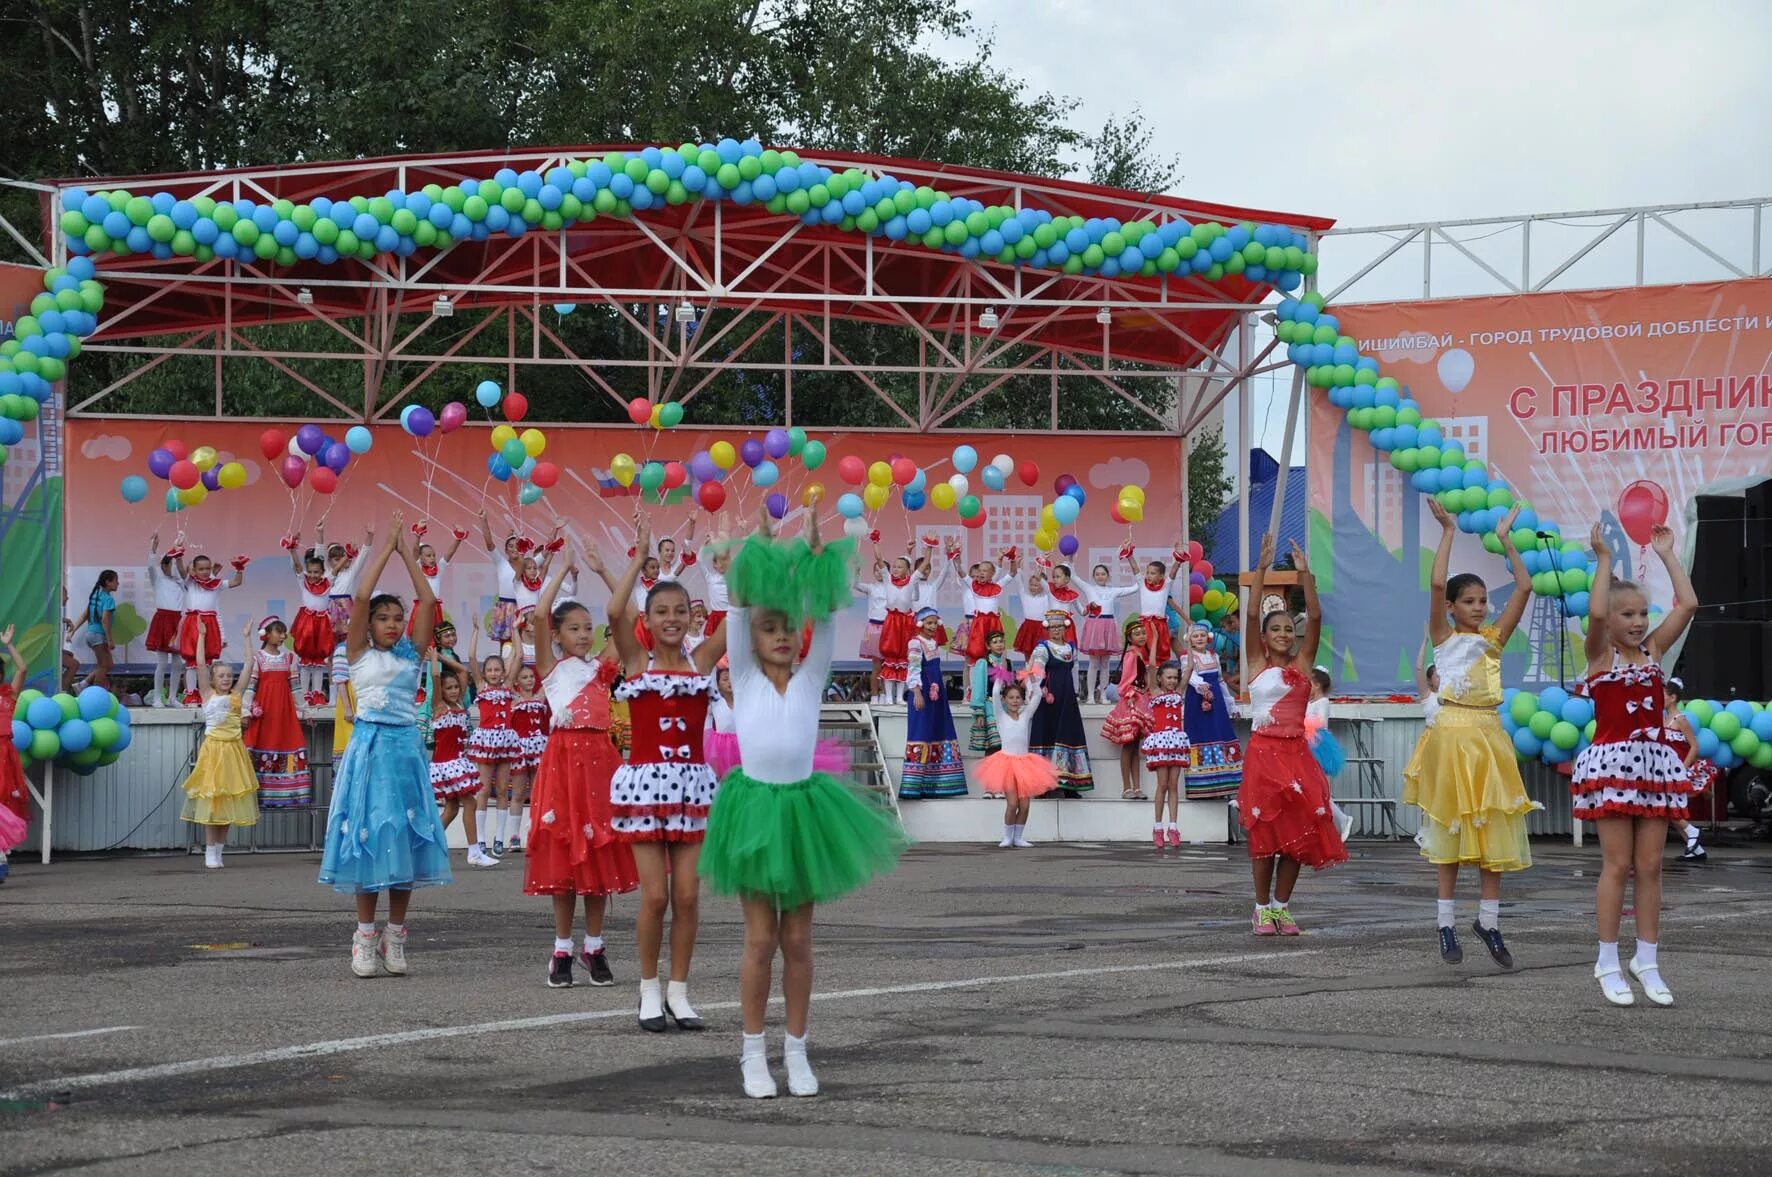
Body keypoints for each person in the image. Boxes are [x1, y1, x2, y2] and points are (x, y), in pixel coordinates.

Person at [700, 507, 906, 1098]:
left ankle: (797, 1049)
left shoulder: (814, 676)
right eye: (771, 628)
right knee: (760, 940)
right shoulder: (742, 671)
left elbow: (829, 617)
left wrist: (816, 558)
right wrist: (759, 545)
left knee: (797, 942)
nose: (782, 635)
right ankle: (752, 1053)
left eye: (789, 627)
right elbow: (738, 609)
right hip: (756, 811)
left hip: (806, 814)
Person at [1402, 502, 1538, 966]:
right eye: (1470, 601)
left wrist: (1506, 541)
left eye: (1483, 600)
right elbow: (1437, 582)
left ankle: (1490, 922)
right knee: (1450, 832)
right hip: (1451, 735)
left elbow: (1525, 586)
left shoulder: (1494, 639)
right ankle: (1444, 924)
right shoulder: (1444, 638)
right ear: (1451, 608)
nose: (1479, 607)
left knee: (1492, 832)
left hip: (1487, 738)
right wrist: (1447, 532)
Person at [606, 513, 728, 1032]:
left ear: (692, 616)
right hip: (645, 788)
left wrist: (733, 565)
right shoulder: (637, 664)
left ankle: (680, 992)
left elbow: (739, 616)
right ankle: (648, 990)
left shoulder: (702, 662)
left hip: (693, 788)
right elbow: (614, 610)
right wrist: (638, 558)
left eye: (680, 610)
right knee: (655, 896)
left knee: (688, 896)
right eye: (662, 612)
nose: (672, 618)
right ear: (649, 621)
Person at [317, 513, 452, 978]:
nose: (393, 625)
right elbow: (357, 597)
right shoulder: (358, 653)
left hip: (405, 752)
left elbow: (429, 599)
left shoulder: (412, 655)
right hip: (369, 750)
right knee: (370, 839)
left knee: (405, 840)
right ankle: (364, 936)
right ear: (369, 623)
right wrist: (384, 548)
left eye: (398, 618)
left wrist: (407, 554)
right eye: (384, 618)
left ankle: (396, 936)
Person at [1574, 520, 1697, 1007]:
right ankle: (1606, 960)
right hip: (1612, 766)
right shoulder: (1600, 656)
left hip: (1653, 766)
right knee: (1618, 864)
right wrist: (1604, 558)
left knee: (1651, 866)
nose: (1638, 621)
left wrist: (1668, 555)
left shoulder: (1655, 652)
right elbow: (1597, 612)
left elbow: (1688, 605)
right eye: (1628, 614)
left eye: (1643, 613)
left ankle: (1647, 959)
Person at [526, 550, 639, 990]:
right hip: (563, 766)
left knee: (596, 858)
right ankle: (561, 950)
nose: (583, 635)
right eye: (573, 628)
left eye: (588, 628)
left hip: (600, 765)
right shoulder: (551, 669)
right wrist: (560, 570)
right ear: (556, 635)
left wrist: (603, 569)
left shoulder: (602, 668)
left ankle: (594, 946)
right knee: (563, 859)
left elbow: (629, 614)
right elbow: (538, 614)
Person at [1239, 535, 1345, 935]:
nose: (1284, 633)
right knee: (1266, 834)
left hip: (1297, 754)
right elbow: (1251, 617)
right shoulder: (1255, 663)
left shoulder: (1303, 664)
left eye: (1288, 628)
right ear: (1265, 638)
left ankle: (1282, 907)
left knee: (1300, 833)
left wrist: (1305, 577)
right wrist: (1262, 569)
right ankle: (1261, 907)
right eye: (1276, 628)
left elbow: (1315, 619)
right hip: (1264, 756)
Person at [180, 620, 260, 869]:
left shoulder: (236, 695)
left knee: (228, 802)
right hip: (214, 751)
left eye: (229, 675)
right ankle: (208, 851)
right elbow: (201, 664)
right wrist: (202, 636)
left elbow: (249, 664)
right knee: (211, 801)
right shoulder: (208, 694)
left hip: (234, 752)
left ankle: (219, 850)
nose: (226, 679)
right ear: (214, 680)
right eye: (221, 676)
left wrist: (247, 638)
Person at [242, 617, 312, 809]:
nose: (282, 636)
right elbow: (250, 687)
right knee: (260, 746)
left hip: (284, 714)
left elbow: (296, 688)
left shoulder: (289, 658)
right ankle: (259, 795)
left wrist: (305, 711)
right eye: (278, 632)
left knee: (287, 744)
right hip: (264, 715)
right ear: (265, 634)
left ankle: (285, 794)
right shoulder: (258, 658)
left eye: (283, 632)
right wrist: (245, 711)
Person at [976, 677, 1055, 848]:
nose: (1014, 701)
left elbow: (1038, 696)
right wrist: (999, 677)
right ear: (1005, 700)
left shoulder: (1026, 715)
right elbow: (995, 695)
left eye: (1018, 697)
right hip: (1006, 764)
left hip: (1025, 764)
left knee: (1025, 805)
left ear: (1022, 700)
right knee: (1012, 804)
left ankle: (1018, 837)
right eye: (1011, 698)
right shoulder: (1000, 715)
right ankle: (1007, 837)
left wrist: (1033, 680)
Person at [463, 626, 519, 866]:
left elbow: (518, 656)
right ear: (484, 673)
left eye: (498, 669)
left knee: (503, 789)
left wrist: (515, 630)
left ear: (503, 672)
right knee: (484, 790)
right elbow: (472, 658)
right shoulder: (481, 686)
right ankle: (482, 839)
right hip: (486, 740)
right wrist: (475, 632)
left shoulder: (508, 688)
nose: (494, 673)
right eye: (490, 670)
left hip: (505, 739)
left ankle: (500, 838)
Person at [899, 607, 968, 799]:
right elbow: (913, 669)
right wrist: (917, 692)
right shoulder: (915, 643)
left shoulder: (934, 643)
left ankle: (938, 784)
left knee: (938, 730)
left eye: (934, 623)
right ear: (920, 624)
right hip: (923, 693)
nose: (932, 626)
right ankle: (913, 786)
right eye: (928, 623)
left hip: (937, 695)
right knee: (921, 732)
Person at [1028, 610, 1093, 796]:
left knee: (1067, 734)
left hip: (1067, 697)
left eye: (1059, 626)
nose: (1056, 630)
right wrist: (1039, 690)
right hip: (1049, 698)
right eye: (1053, 627)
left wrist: (1076, 693)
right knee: (1047, 734)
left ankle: (1069, 783)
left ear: (1065, 628)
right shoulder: (1043, 648)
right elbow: (1036, 670)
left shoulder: (1071, 648)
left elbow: (1074, 670)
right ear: (1048, 629)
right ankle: (1044, 785)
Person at [426, 654, 481, 854]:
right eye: (448, 688)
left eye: (456, 687)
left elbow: (462, 671)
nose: (454, 690)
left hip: (457, 762)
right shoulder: (439, 706)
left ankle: (428, 845)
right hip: (446, 764)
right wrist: (434, 662)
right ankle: (474, 851)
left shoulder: (459, 705)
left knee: (452, 808)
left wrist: (440, 655)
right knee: (471, 802)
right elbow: (434, 677)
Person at [1180, 621, 1241, 800]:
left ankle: (1223, 783)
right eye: (1195, 636)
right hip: (1197, 702)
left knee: (1219, 733)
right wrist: (1200, 685)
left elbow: (1220, 680)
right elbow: (1189, 675)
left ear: (1208, 638)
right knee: (1201, 735)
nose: (1199, 639)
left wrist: (1231, 703)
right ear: (1189, 640)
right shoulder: (1187, 657)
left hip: (1217, 702)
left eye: (1201, 636)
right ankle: (1202, 785)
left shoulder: (1213, 656)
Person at [176, 553, 245, 704]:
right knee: (192, 661)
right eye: (201, 569)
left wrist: (239, 569)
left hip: (210, 623)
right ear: (194, 569)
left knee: (207, 662)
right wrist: (179, 555)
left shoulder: (216, 584)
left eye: (208, 568)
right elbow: (182, 571)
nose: (205, 572)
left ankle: (204, 692)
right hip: (194, 622)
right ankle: (190, 694)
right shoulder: (190, 582)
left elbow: (236, 582)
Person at [1100, 618, 1154, 800]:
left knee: (1135, 745)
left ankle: (1137, 787)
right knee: (1128, 744)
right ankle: (1126, 787)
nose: (1141, 636)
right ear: (1130, 638)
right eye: (1137, 634)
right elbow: (1125, 681)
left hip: (1141, 698)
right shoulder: (1131, 654)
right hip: (1132, 700)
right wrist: (1130, 696)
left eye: (1143, 633)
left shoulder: (1140, 653)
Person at [1662, 678, 1712, 862]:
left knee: (1667, 807)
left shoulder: (1680, 719)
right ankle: (1696, 850)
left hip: (1677, 771)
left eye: (1663, 695)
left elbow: (1694, 746)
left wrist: (1682, 769)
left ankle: (1692, 832)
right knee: (1671, 809)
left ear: (1673, 697)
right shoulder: (1664, 718)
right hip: (1666, 771)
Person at [1142, 662, 1190, 848]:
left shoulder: (1179, 693)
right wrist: (1154, 636)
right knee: (1162, 784)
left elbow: (1189, 669)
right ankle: (1157, 827)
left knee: (1173, 785)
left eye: (1174, 678)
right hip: (1162, 742)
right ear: (1160, 679)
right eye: (1168, 677)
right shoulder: (1155, 692)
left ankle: (1173, 826)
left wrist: (1190, 644)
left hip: (1176, 741)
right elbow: (1152, 668)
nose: (1172, 681)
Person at [1077, 562, 1138, 705]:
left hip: (1108, 627)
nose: (1100, 576)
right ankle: (1091, 696)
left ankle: (1103, 694)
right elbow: (1074, 577)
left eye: (1103, 574)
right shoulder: (1089, 588)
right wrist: (1071, 559)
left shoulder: (1113, 591)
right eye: (1097, 574)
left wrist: (1140, 576)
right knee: (1093, 663)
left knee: (1105, 663)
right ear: (1093, 576)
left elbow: (1135, 588)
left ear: (1108, 576)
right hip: (1094, 626)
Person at [505, 663, 551, 853]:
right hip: (521, 749)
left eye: (531, 677)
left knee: (537, 793)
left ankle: (534, 833)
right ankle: (514, 836)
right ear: (516, 682)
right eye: (524, 677)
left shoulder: (540, 697)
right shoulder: (513, 700)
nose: (529, 680)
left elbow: (551, 677)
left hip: (539, 747)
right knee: (517, 793)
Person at [0, 627, 33, 883]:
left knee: (5, 805)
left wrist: (9, 645)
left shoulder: (8, 697)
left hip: (5, 755)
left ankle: (1, 858)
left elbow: (22, 670)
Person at [1306, 669, 1353, 843]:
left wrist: (1302, 724)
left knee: (1315, 789)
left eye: (1309, 683)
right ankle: (1337, 820)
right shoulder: (1310, 703)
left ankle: (1340, 819)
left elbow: (1320, 723)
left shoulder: (1323, 702)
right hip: (1307, 744)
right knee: (1312, 790)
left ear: (1317, 685)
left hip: (1316, 745)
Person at [287, 535, 336, 706]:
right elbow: (299, 567)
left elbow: (336, 570)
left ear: (323, 572)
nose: (313, 575)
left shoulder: (328, 582)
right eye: (311, 572)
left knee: (318, 661)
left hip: (321, 624)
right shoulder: (303, 581)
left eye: (317, 572)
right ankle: (304, 693)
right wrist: (293, 550)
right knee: (306, 661)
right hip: (306, 624)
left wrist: (349, 557)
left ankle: (317, 693)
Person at [146, 534, 188, 707]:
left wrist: (178, 544)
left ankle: (173, 697)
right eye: (168, 564)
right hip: (163, 620)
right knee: (162, 662)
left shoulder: (181, 582)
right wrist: (153, 550)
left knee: (178, 663)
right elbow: (150, 567)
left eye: (172, 564)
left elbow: (182, 568)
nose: (172, 568)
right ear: (163, 566)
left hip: (178, 622)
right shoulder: (158, 580)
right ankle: (157, 697)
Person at [313, 520, 372, 641]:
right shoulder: (326, 573)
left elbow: (363, 555)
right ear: (329, 560)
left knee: (348, 640)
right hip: (328, 610)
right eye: (336, 559)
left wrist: (370, 536)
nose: (341, 561)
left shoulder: (350, 572)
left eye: (344, 558)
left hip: (347, 610)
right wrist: (320, 532)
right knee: (326, 640)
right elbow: (319, 553)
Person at [408, 522, 467, 638]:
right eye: (428, 556)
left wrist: (458, 538)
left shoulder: (439, 568)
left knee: (435, 637)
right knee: (419, 636)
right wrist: (418, 534)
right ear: (420, 557)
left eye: (433, 555)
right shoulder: (417, 568)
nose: (432, 558)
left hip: (435, 608)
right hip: (421, 608)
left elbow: (450, 553)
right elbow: (415, 550)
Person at [968, 630, 1012, 776]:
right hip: (989, 707)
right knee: (992, 747)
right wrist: (979, 712)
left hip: (1005, 709)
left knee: (1004, 747)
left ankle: (1000, 783)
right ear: (988, 646)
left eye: (1001, 641)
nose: (999, 645)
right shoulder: (983, 663)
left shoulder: (1007, 663)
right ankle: (990, 784)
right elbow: (979, 687)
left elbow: (1010, 688)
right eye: (995, 642)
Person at [81, 569, 119, 694]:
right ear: (108, 582)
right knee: (104, 665)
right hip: (98, 635)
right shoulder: (108, 599)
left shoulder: (96, 594)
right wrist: (110, 640)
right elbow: (105, 620)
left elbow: (85, 615)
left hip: (91, 634)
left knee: (108, 664)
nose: (118, 584)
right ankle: (94, 693)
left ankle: (83, 683)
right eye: (115, 581)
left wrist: (73, 630)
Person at [1008, 558, 1052, 664]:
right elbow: (1019, 584)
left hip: (1043, 629)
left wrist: (1040, 572)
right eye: (1031, 585)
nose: (1033, 587)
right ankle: (1028, 676)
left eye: (1036, 585)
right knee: (1028, 657)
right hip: (1028, 629)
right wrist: (1018, 567)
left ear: (1043, 585)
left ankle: (1041, 677)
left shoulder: (1047, 598)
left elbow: (1049, 590)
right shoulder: (1025, 596)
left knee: (1042, 657)